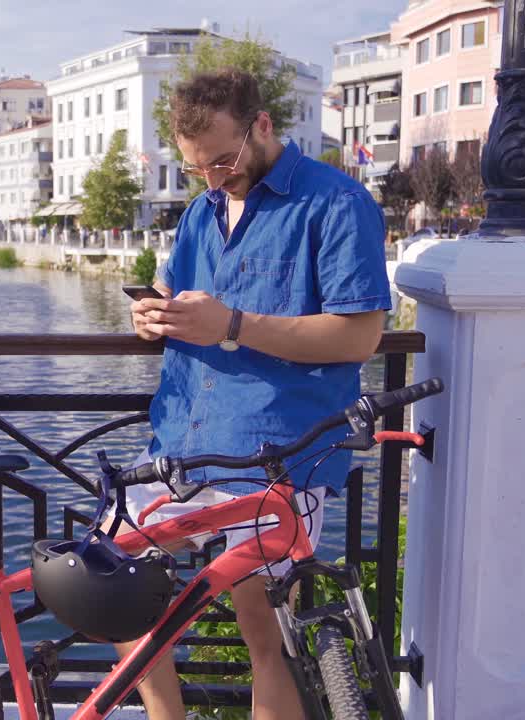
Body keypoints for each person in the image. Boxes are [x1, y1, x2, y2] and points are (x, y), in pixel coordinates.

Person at [124, 68, 391, 720]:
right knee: (119, 598)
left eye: (224, 159)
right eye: (196, 168)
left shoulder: (337, 204)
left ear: (263, 126)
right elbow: (184, 302)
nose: (214, 177)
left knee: (266, 640)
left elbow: (358, 338)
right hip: (182, 444)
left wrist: (234, 326)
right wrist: (152, 317)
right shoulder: (199, 212)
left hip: (273, 456)